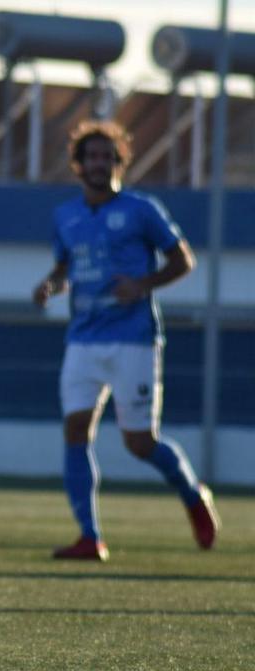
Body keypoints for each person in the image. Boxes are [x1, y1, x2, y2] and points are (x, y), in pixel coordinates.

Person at [32, 120, 220, 561]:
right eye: (91, 157)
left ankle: (192, 495)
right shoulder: (65, 216)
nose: (99, 164)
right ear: (78, 166)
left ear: (119, 163)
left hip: (133, 339)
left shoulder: (142, 209)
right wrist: (49, 286)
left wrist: (143, 284)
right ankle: (89, 537)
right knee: (76, 430)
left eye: (107, 157)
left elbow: (183, 260)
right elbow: (65, 269)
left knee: (139, 443)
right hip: (82, 339)